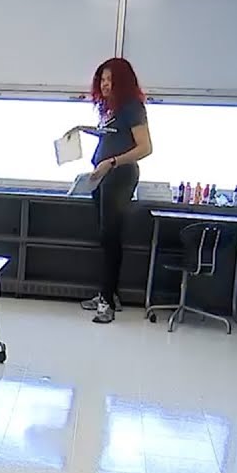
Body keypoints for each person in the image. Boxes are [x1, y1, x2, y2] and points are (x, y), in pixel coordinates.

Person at [64, 57, 153, 324]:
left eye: (110, 80)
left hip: (119, 176)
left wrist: (111, 162)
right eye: (102, 79)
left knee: (110, 236)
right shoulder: (110, 109)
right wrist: (82, 128)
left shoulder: (133, 108)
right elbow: (111, 135)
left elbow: (145, 148)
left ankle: (107, 301)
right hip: (101, 177)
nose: (104, 84)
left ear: (122, 82)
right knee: (104, 237)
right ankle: (108, 294)